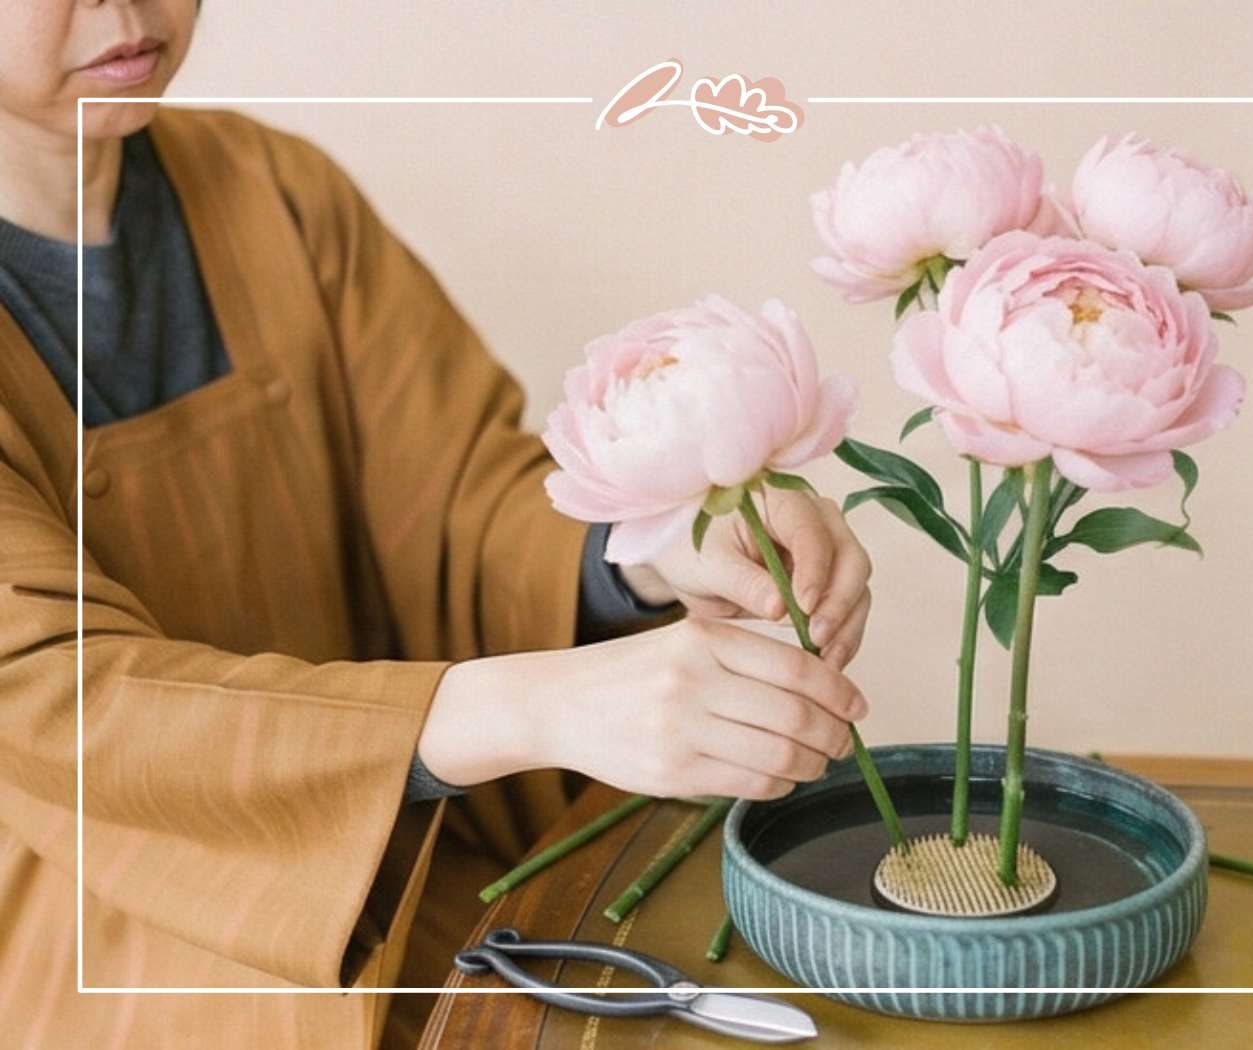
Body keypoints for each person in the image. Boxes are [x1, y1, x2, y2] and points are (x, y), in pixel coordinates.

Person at [0, 4, 875, 1048]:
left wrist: (650, 548)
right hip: (110, 917)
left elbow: (458, 490)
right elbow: (57, 698)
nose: (123, 7)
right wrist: (519, 707)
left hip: (397, 843)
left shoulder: (274, 192)